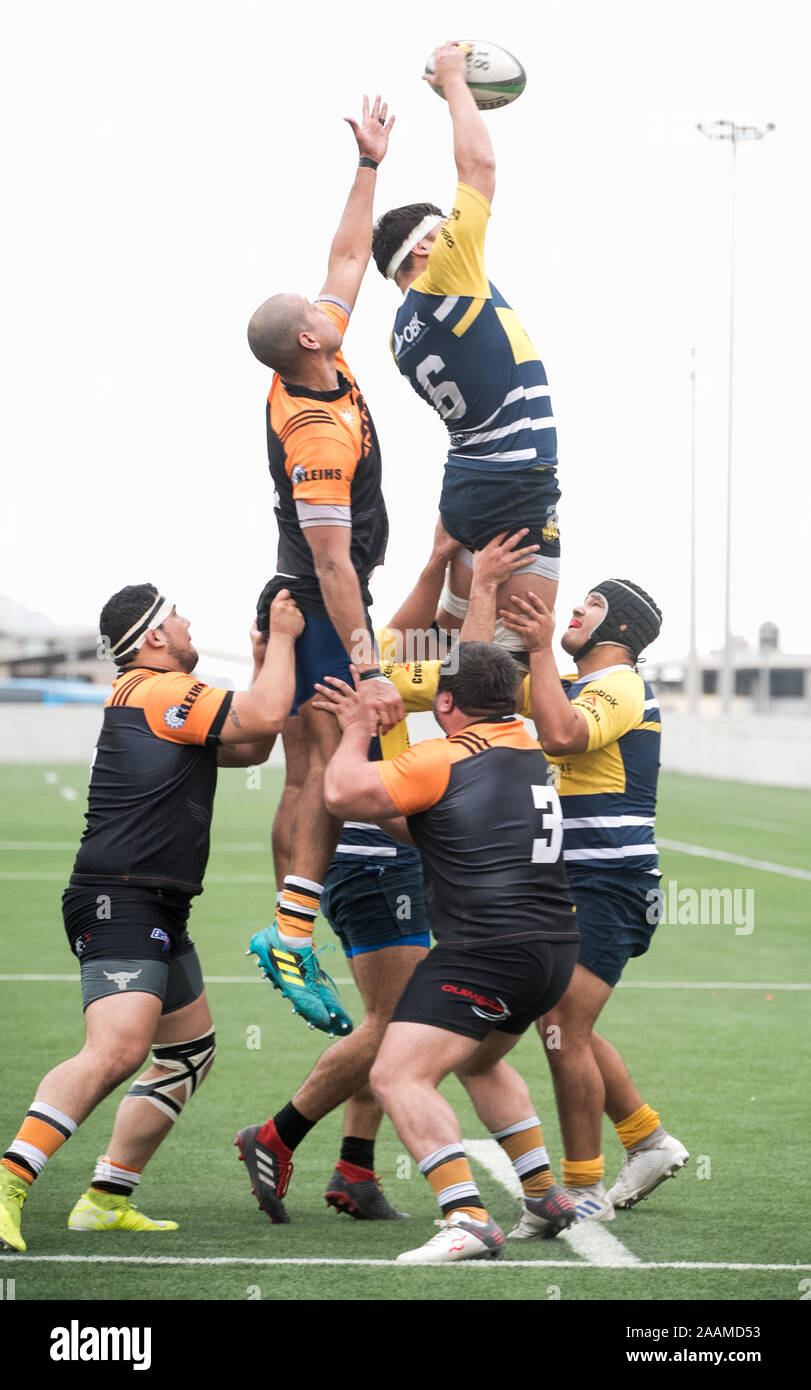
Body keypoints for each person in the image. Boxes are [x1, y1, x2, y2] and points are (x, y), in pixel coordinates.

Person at [235, 534, 539, 1225]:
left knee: (394, 1018)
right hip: (371, 857)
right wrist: (482, 587)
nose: (370, 621)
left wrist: (438, 564)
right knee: (403, 1021)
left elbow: (402, 634)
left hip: (389, 854)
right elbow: (474, 677)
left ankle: (354, 1167)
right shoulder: (356, 675)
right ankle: (277, 1135)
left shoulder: (350, 661)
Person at [0, 585, 301, 1254]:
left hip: (157, 903)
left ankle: (106, 1198)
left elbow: (252, 745)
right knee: (116, 1050)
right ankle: (10, 1178)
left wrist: (262, 659)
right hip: (121, 898)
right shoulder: (155, 690)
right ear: (154, 637)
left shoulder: (163, 700)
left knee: (187, 1054)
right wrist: (280, 638)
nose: (190, 623)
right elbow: (267, 712)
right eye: (179, 616)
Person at [314, 643, 580, 1263]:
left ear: (447, 703)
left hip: (485, 949)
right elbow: (442, 818)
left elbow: (342, 795)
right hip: (551, 951)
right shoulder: (531, 748)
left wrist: (355, 730)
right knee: (480, 1063)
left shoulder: (443, 756)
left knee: (396, 1074)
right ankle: (543, 1194)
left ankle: (465, 1215)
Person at [247, 95, 403, 1037]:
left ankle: (290, 929)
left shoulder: (320, 360)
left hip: (304, 590)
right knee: (318, 772)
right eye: (317, 311)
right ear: (308, 338)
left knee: (307, 762)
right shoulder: (311, 425)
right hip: (317, 594)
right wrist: (369, 657)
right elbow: (333, 559)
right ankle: (291, 934)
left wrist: (370, 165)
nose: (331, 300)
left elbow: (346, 258)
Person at [499, 582, 689, 1228]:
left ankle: (582, 1188)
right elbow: (486, 681)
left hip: (611, 886)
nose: (573, 611)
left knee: (561, 1029)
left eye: (590, 605)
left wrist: (533, 644)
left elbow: (557, 735)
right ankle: (645, 1139)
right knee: (559, 1023)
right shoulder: (575, 683)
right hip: (576, 886)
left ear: (621, 628)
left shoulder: (621, 685)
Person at [371, 42, 561, 660]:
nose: (457, 234)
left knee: (447, 643)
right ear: (426, 251)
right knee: (504, 661)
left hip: (470, 483)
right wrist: (455, 81)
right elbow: (478, 168)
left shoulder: (402, 331)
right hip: (511, 483)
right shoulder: (448, 275)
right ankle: (482, 751)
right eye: (441, 231)